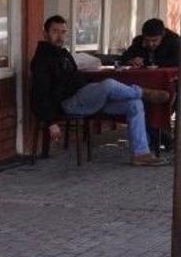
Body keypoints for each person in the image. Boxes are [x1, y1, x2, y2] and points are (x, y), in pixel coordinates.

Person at [31, 16, 170, 167]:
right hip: (68, 103)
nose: (60, 36)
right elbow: (39, 93)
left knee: (134, 104)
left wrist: (94, 90)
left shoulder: (63, 54)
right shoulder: (41, 60)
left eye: (63, 32)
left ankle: (141, 154)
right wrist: (50, 121)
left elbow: (77, 79)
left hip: (85, 97)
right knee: (109, 85)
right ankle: (143, 93)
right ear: (45, 33)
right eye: (55, 32)